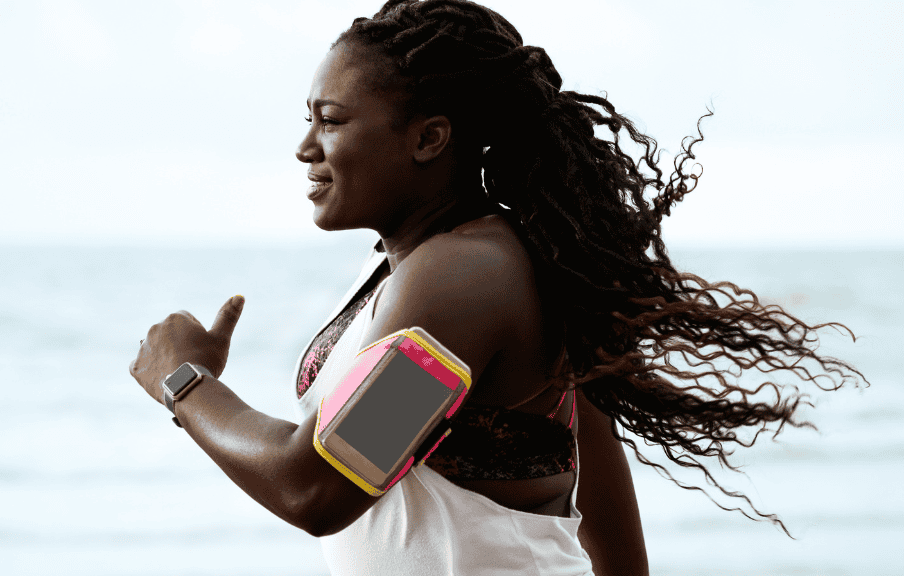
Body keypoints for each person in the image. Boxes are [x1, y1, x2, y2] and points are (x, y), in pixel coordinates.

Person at [129, 1, 866, 574]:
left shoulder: (465, 280)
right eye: (308, 120)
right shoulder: (432, 261)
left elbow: (320, 488)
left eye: (332, 120)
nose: (305, 146)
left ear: (429, 138)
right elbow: (597, 471)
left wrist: (185, 383)